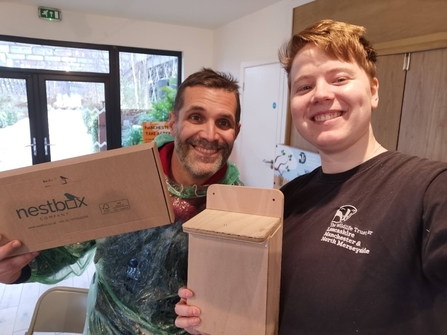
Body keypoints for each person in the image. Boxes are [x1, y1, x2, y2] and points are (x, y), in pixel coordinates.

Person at [174, 20, 447, 335]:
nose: (321, 94)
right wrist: (213, 314)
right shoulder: (288, 201)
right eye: (304, 86)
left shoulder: (429, 188)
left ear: (373, 90)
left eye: (339, 78)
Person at [0, 67, 243, 334]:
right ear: (173, 123)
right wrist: (15, 268)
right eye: (196, 117)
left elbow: (238, 297)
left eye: (223, 122)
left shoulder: (242, 211)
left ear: (237, 130)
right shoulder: (122, 179)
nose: (210, 134)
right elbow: (64, 247)